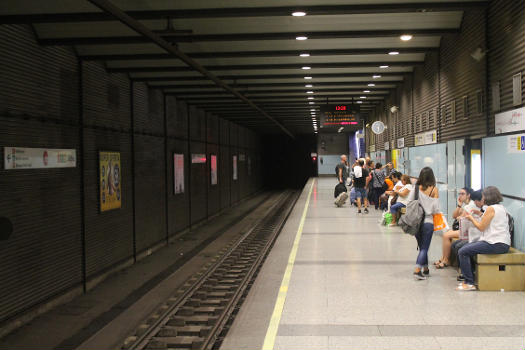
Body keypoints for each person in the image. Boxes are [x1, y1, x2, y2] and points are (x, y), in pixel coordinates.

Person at [456, 186, 511, 291]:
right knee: (467, 247)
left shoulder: (491, 208)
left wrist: (471, 218)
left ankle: (469, 282)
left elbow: (481, 227)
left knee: (462, 251)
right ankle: (471, 277)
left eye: (483, 196)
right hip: (501, 243)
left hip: (495, 243)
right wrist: (479, 214)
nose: (482, 198)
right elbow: (491, 220)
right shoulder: (501, 208)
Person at [434, 187, 475, 269]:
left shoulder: (470, 205)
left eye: (462, 194)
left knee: (446, 236)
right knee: (446, 234)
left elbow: (459, 217)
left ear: (468, 195)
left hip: (469, 231)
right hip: (463, 229)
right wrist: (459, 205)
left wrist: (460, 214)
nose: (460, 196)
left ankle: (446, 260)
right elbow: (454, 216)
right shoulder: (466, 205)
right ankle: (444, 258)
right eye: (459, 194)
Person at [412, 167, 440, 280]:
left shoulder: (416, 189)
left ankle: (426, 268)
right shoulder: (434, 190)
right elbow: (436, 209)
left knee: (422, 246)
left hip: (416, 222)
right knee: (424, 247)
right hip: (428, 222)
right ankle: (417, 270)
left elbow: (410, 203)